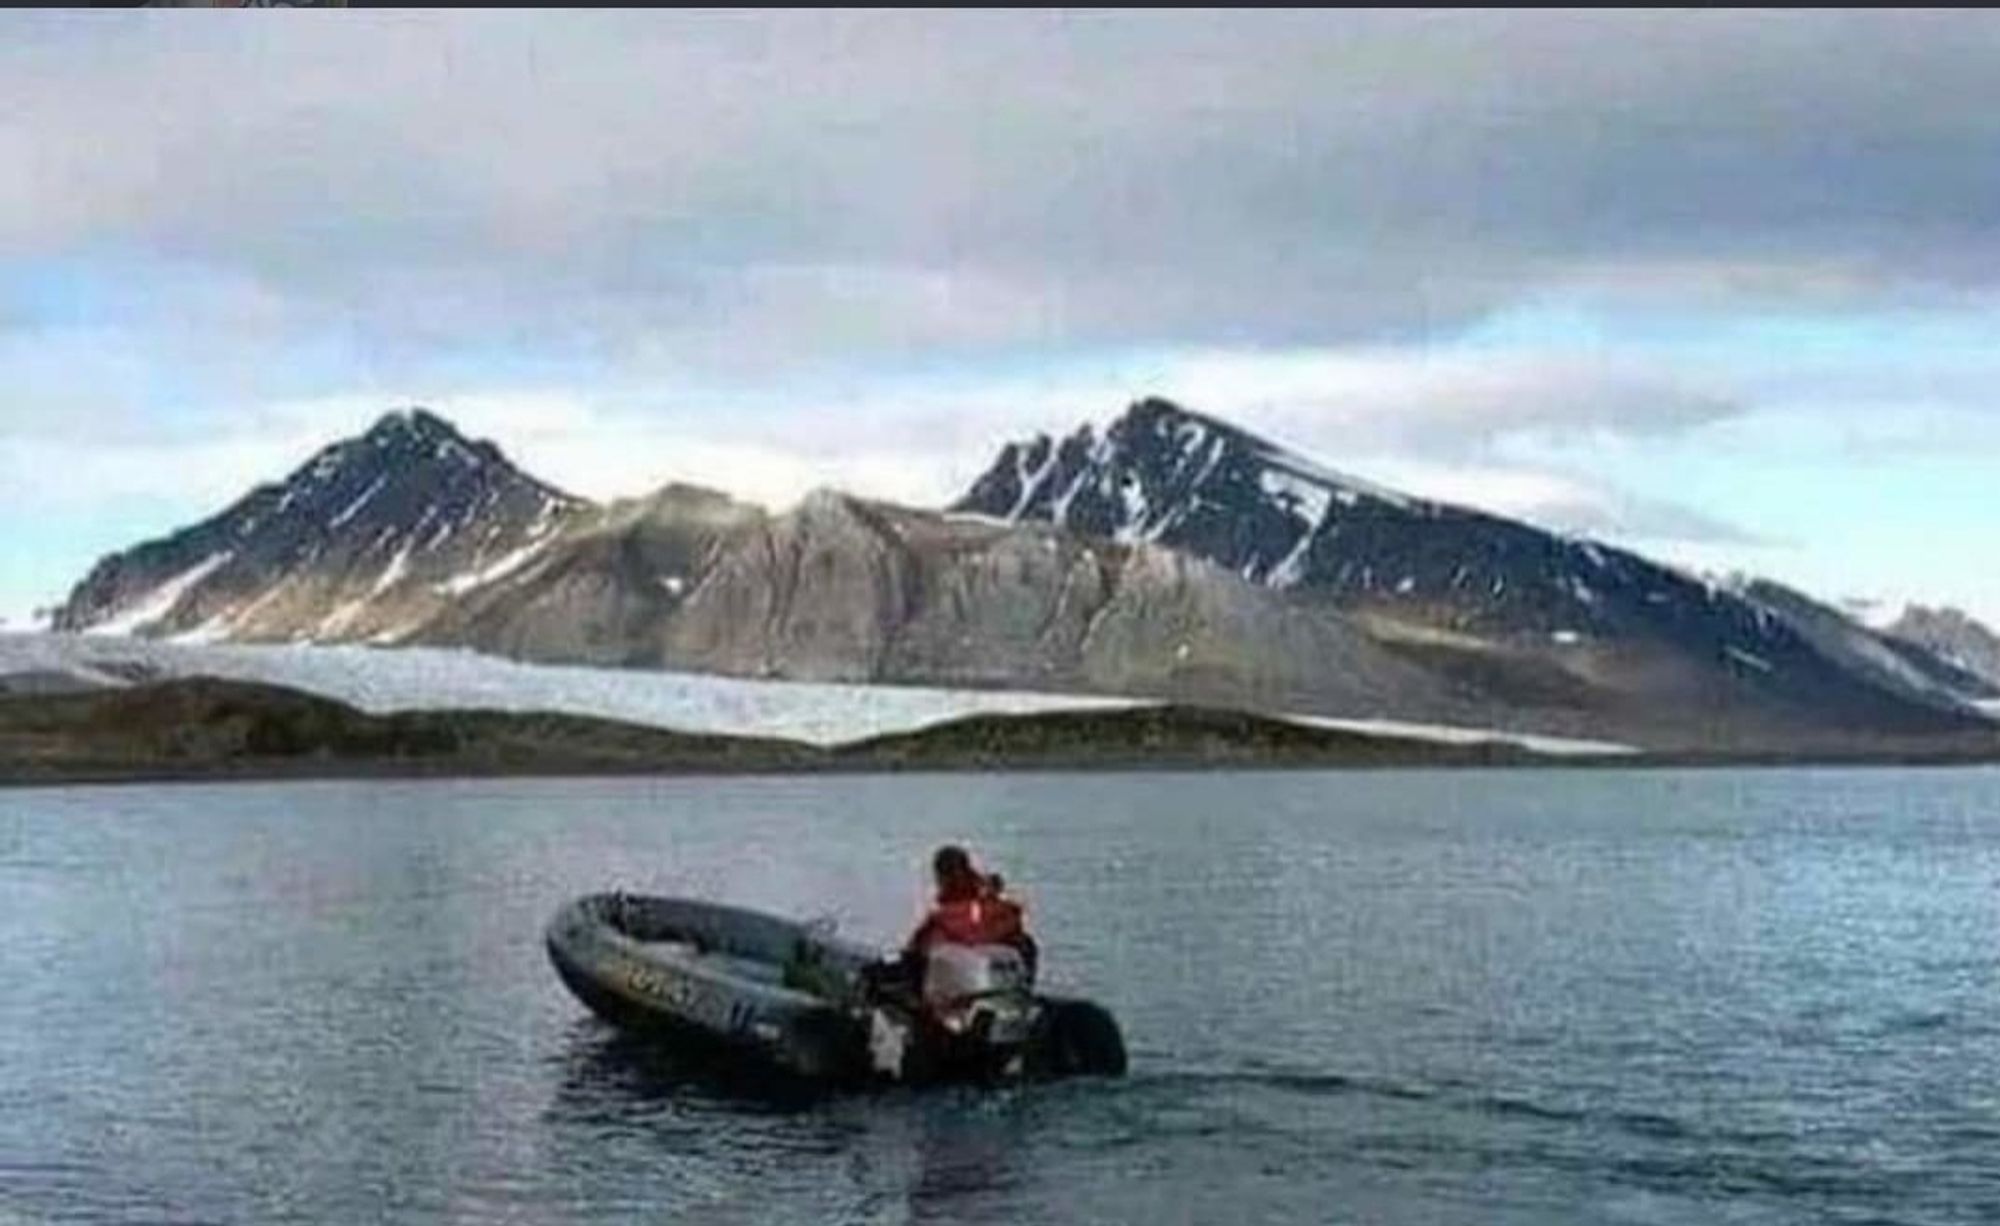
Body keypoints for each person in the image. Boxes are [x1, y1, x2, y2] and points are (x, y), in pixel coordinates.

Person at [902, 845, 1038, 982]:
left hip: (966, 981)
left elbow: (913, 949)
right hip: (993, 975)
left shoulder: (942, 917)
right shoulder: (999, 906)